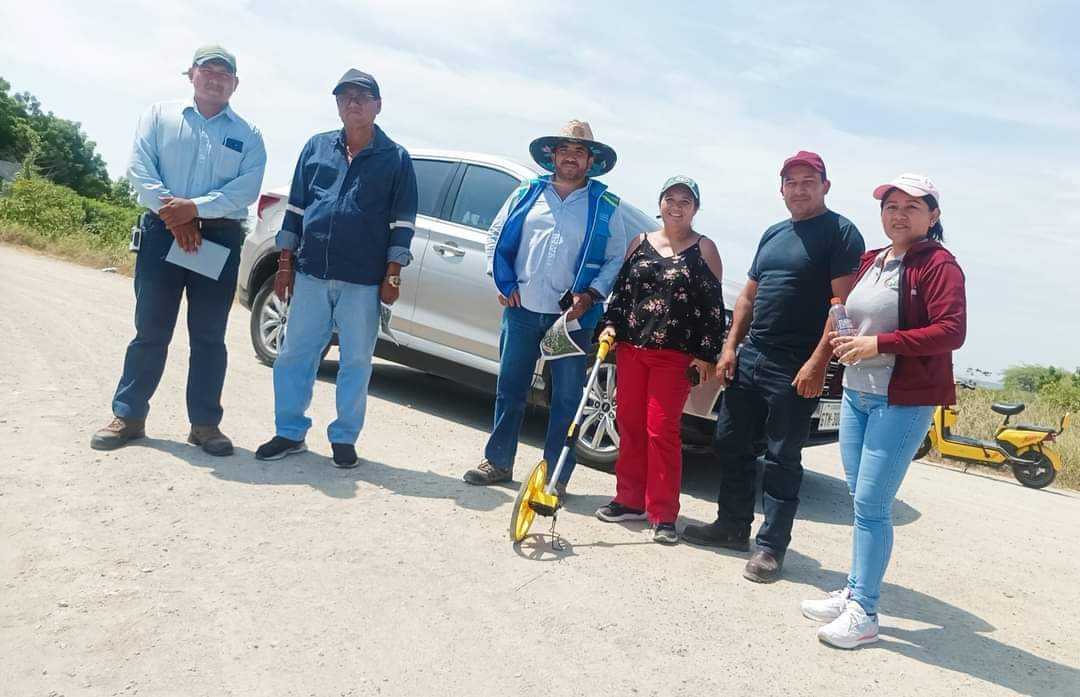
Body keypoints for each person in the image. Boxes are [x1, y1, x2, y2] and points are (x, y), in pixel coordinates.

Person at [682, 151, 865, 582]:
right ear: (781, 189)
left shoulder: (841, 233)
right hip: (753, 355)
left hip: (796, 364)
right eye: (791, 182)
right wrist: (730, 348)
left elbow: (841, 305)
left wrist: (818, 362)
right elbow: (748, 297)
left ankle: (771, 547)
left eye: (808, 181)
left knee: (783, 456)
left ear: (825, 186)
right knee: (730, 441)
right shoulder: (773, 234)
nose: (799, 189)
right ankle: (731, 526)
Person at [802, 174, 965, 648]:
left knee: (873, 505)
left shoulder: (938, 264)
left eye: (912, 207)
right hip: (857, 393)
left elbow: (952, 330)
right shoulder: (873, 259)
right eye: (891, 206)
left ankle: (865, 613)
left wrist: (879, 343)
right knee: (860, 501)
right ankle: (854, 591)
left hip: (902, 398)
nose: (899, 215)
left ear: (933, 216)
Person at [91, 46, 266, 456]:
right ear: (191, 74)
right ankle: (129, 416)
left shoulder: (249, 135)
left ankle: (205, 425)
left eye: (225, 74)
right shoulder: (159, 116)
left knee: (209, 336)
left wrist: (195, 209)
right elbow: (139, 169)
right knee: (150, 329)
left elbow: (245, 189)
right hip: (162, 232)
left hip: (218, 238)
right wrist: (178, 218)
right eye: (208, 70)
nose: (216, 79)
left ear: (235, 84)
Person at [254, 69, 417, 468]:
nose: (353, 103)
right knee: (295, 354)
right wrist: (285, 265)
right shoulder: (316, 147)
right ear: (338, 104)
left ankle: (344, 438)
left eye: (362, 96)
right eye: (345, 96)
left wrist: (392, 274)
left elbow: (403, 222)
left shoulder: (395, 158)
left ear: (378, 106)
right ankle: (289, 431)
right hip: (311, 273)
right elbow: (296, 210)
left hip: (363, 280)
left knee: (356, 361)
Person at [462, 121, 628, 496]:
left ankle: (555, 478)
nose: (571, 157)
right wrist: (502, 282)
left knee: (567, 399)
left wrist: (591, 295)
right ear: (553, 156)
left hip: (571, 320)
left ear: (591, 161)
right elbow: (495, 235)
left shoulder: (605, 206)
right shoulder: (527, 192)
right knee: (510, 389)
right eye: (564, 149)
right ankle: (498, 461)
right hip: (522, 310)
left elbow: (615, 258)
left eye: (579, 151)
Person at [594, 177, 726, 544]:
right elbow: (622, 294)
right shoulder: (639, 242)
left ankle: (663, 513)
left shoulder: (705, 249)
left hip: (674, 355)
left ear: (695, 209)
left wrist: (706, 356)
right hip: (631, 349)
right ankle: (629, 499)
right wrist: (609, 324)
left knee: (661, 431)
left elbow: (712, 309)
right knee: (630, 424)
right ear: (660, 203)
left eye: (685, 201)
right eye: (670, 199)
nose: (676, 206)